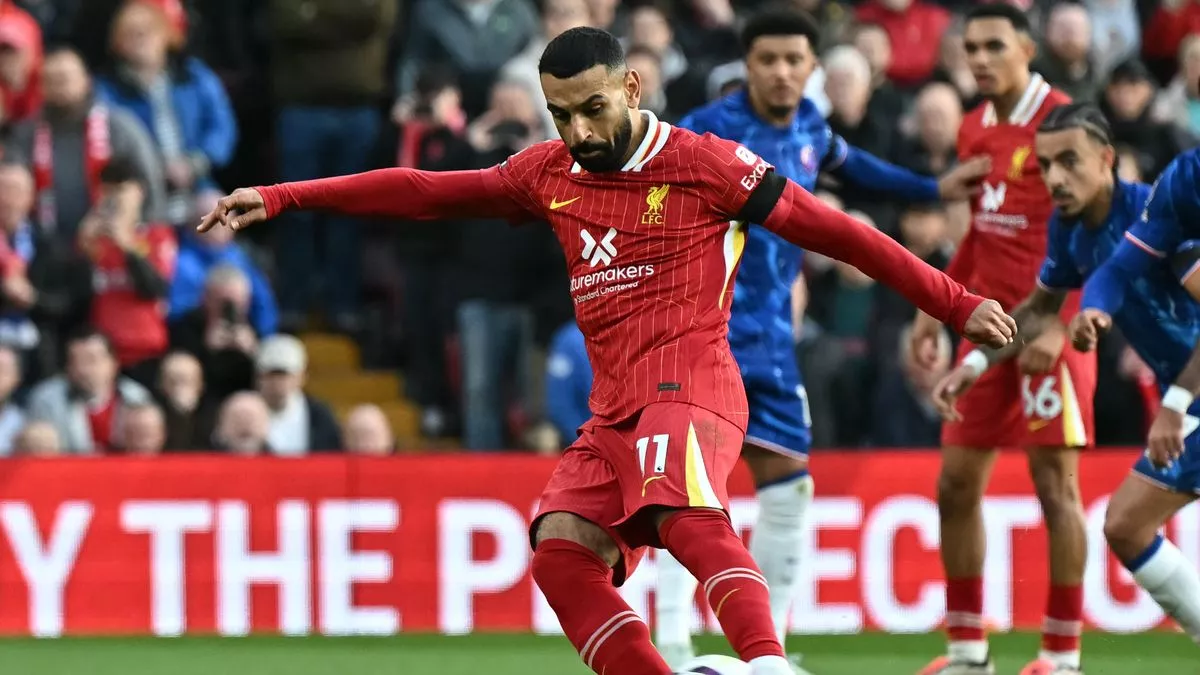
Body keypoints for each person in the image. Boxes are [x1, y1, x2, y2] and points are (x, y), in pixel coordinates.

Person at [199, 27, 1015, 675]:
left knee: (679, 509)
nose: (578, 130)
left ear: (632, 86)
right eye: (562, 114)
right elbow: (425, 193)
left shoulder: (709, 166)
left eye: (592, 107)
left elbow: (845, 235)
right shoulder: (547, 172)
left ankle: (768, 664)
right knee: (560, 550)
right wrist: (282, 195)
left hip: (691, 382)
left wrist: (957, 301)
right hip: (614, 403)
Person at [655, 9, 989, 668]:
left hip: (774, 339)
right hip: (699, 335)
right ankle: (669, 640)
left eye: (793, 61)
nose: (781, 72)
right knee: (687, 493)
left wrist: (929, 186)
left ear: (811, 68)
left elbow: (855, 166)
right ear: (745, 68)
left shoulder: (810, 126)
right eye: (768, 60)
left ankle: (767, 650)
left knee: (788, 486)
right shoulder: (702, 132)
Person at [936, 105, 1200, 653]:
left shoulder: (1161, 218)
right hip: (1189, 398)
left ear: (1106, 159)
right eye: (1046, 165)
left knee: (1124, 522)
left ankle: (1061, 658)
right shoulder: (1072, 230)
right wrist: (976, 364)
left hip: (1188, 397)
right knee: (1126, 526)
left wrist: (1174, 405)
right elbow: (1036, 312)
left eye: (1069, 162)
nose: (1054, 177)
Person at [906, 6, 1088, 674]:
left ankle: (1061, 657)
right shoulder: (975, 126)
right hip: (987, 324)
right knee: (955, 485)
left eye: (994, 46)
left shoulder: (1065, 121)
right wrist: (935, 305)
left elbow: (1098, 227)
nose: (980, 59)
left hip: (1048, 327)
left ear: (1028, 49)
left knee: (1054, 488)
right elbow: (982, 230)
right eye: (971, 47)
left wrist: (1065, 323)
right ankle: (966, 653)